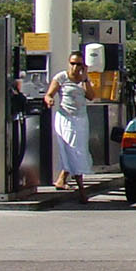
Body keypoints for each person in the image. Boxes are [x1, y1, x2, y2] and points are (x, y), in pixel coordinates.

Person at [43, 50, 92, 198]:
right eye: (72, 63)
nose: (75, 67)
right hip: (66, 118)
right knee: (72, 149)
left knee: (80, 150)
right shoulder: (61, 77)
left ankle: (62, 179)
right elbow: (49, 94)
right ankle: (81, 188)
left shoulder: (84, 80)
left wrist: (85, 79)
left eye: (78, 64)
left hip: (81, 119)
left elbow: (91, 96)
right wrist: (49, 100)